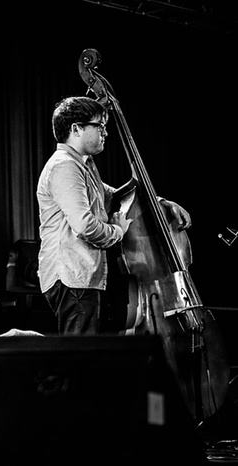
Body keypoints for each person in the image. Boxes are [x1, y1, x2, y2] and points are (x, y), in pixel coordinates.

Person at [36, 96, 191, 335]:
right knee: (80, 352)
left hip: (82, 276)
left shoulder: (84, 165)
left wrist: (161, 203)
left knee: (92, 350)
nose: (105, 132)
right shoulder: (65, 166)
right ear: (76, 129)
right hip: (72, 276)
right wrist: (118, 231)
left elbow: (116, 196)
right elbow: (85, 226)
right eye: (99, 126)